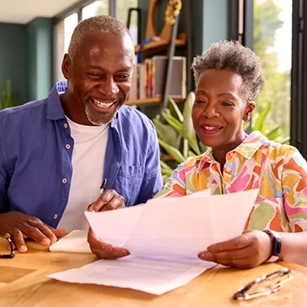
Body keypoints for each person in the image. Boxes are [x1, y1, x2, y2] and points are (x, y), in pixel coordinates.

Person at [0, 15, 163, 257]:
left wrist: (127, 216)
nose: (110, 90)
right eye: (96, 75)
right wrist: (2, 222)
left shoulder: (141, 130)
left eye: (121, 76)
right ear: (67, 67)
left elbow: (155, 216)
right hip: (27, 270)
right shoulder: (9, 127)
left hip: (109, 271)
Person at [155, 40, 307, 268]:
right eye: (201, 101)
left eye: (226, 103)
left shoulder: (284, 163)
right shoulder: (187, 174)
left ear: (248, 111)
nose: (209, 112)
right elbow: (150, 228)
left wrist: (272, 244)